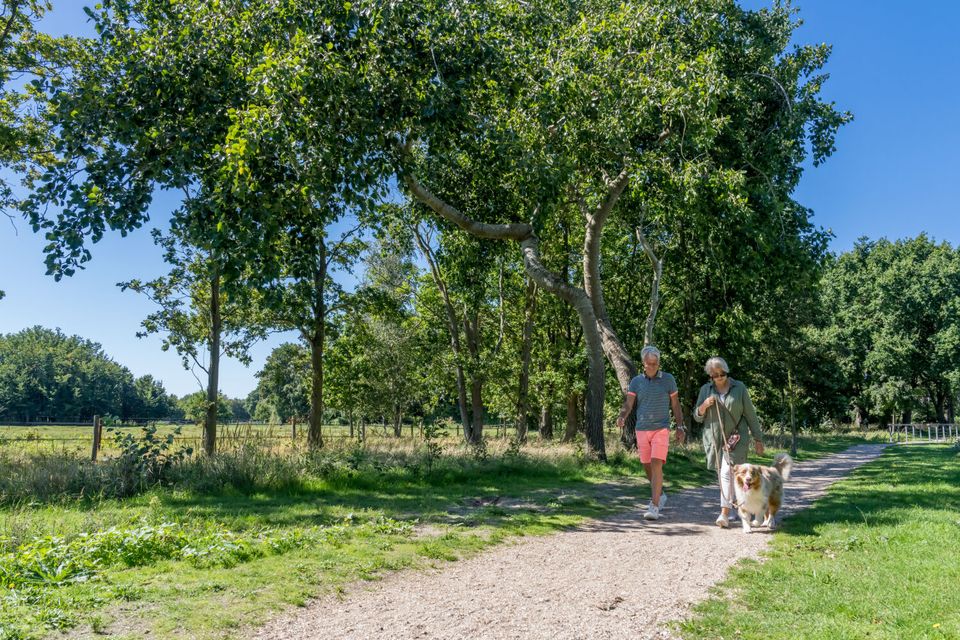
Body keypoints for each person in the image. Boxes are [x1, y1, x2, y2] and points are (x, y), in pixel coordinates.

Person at [692, 356, 765, 528]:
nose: (719, 377)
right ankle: (739, 507)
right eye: (714, 375)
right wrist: (703, 406)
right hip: (715, 439)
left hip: (736, 438)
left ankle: (724, 513)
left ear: (726, 371)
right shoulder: (705, 390)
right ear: (710, 376)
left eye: (721, 374)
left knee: (728, 472)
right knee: (725, 474)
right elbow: (697, 417)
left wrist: (758, 439)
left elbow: (751, 415)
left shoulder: (739, 388)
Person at [616, 345, 686, 521]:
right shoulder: (636, 382)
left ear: (658, 363)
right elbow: (629, 403)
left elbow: (676, 405)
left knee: (656, 464)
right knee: (647, 465)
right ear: (643, 363)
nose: (652, 367)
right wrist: (622, 416)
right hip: (641, 429)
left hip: (661, 428)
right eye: (649, 364)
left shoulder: (668, 380)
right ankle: (660, 495)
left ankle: (654, 506)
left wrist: (680, 426)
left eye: (655, 364)